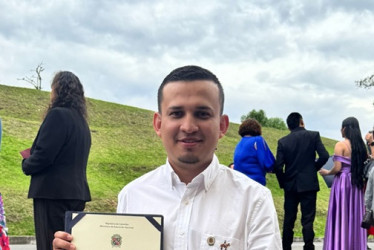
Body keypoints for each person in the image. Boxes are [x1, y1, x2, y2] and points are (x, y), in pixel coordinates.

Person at [52, 65, 282, 250]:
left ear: (222, 126)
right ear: (159, 124)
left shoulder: (254, 200)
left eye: (202, 114)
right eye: (176, 113)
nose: (189, 126)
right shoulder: (132, 196)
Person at [22, 71, 91, 250]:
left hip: (52, 193)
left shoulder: (57, 115)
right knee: (68, 245)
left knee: (49, 244)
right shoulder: (82, 123)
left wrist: (26, 163)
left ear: (57, 90)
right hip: (76, 194)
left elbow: (43, 156)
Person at [274, 112, 329, 250]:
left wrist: (283, 183)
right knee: (308, 219)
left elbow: (278, 167)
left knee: (289, 219)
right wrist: (313, 168)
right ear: (302, 122)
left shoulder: (283, 142)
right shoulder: (313, 135)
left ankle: (286, 247)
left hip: (291, 185)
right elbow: (324, 155)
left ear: (289, 127)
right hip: (309, 184)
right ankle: (308, 246)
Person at [319, 117, 368, 249]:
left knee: (341, 214)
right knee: (354, 215)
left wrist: (327, 172)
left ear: (345, 129)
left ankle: (339, 244)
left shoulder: (340, 145)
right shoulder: (361, 147)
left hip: (343, 183)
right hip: (356, 183)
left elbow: (337, 168)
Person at [233, 118, 275, 185]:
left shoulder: (239, 143)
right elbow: (267, 162)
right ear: (257, 129)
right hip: (255, 183)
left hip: (240, 183)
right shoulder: (258, 140)